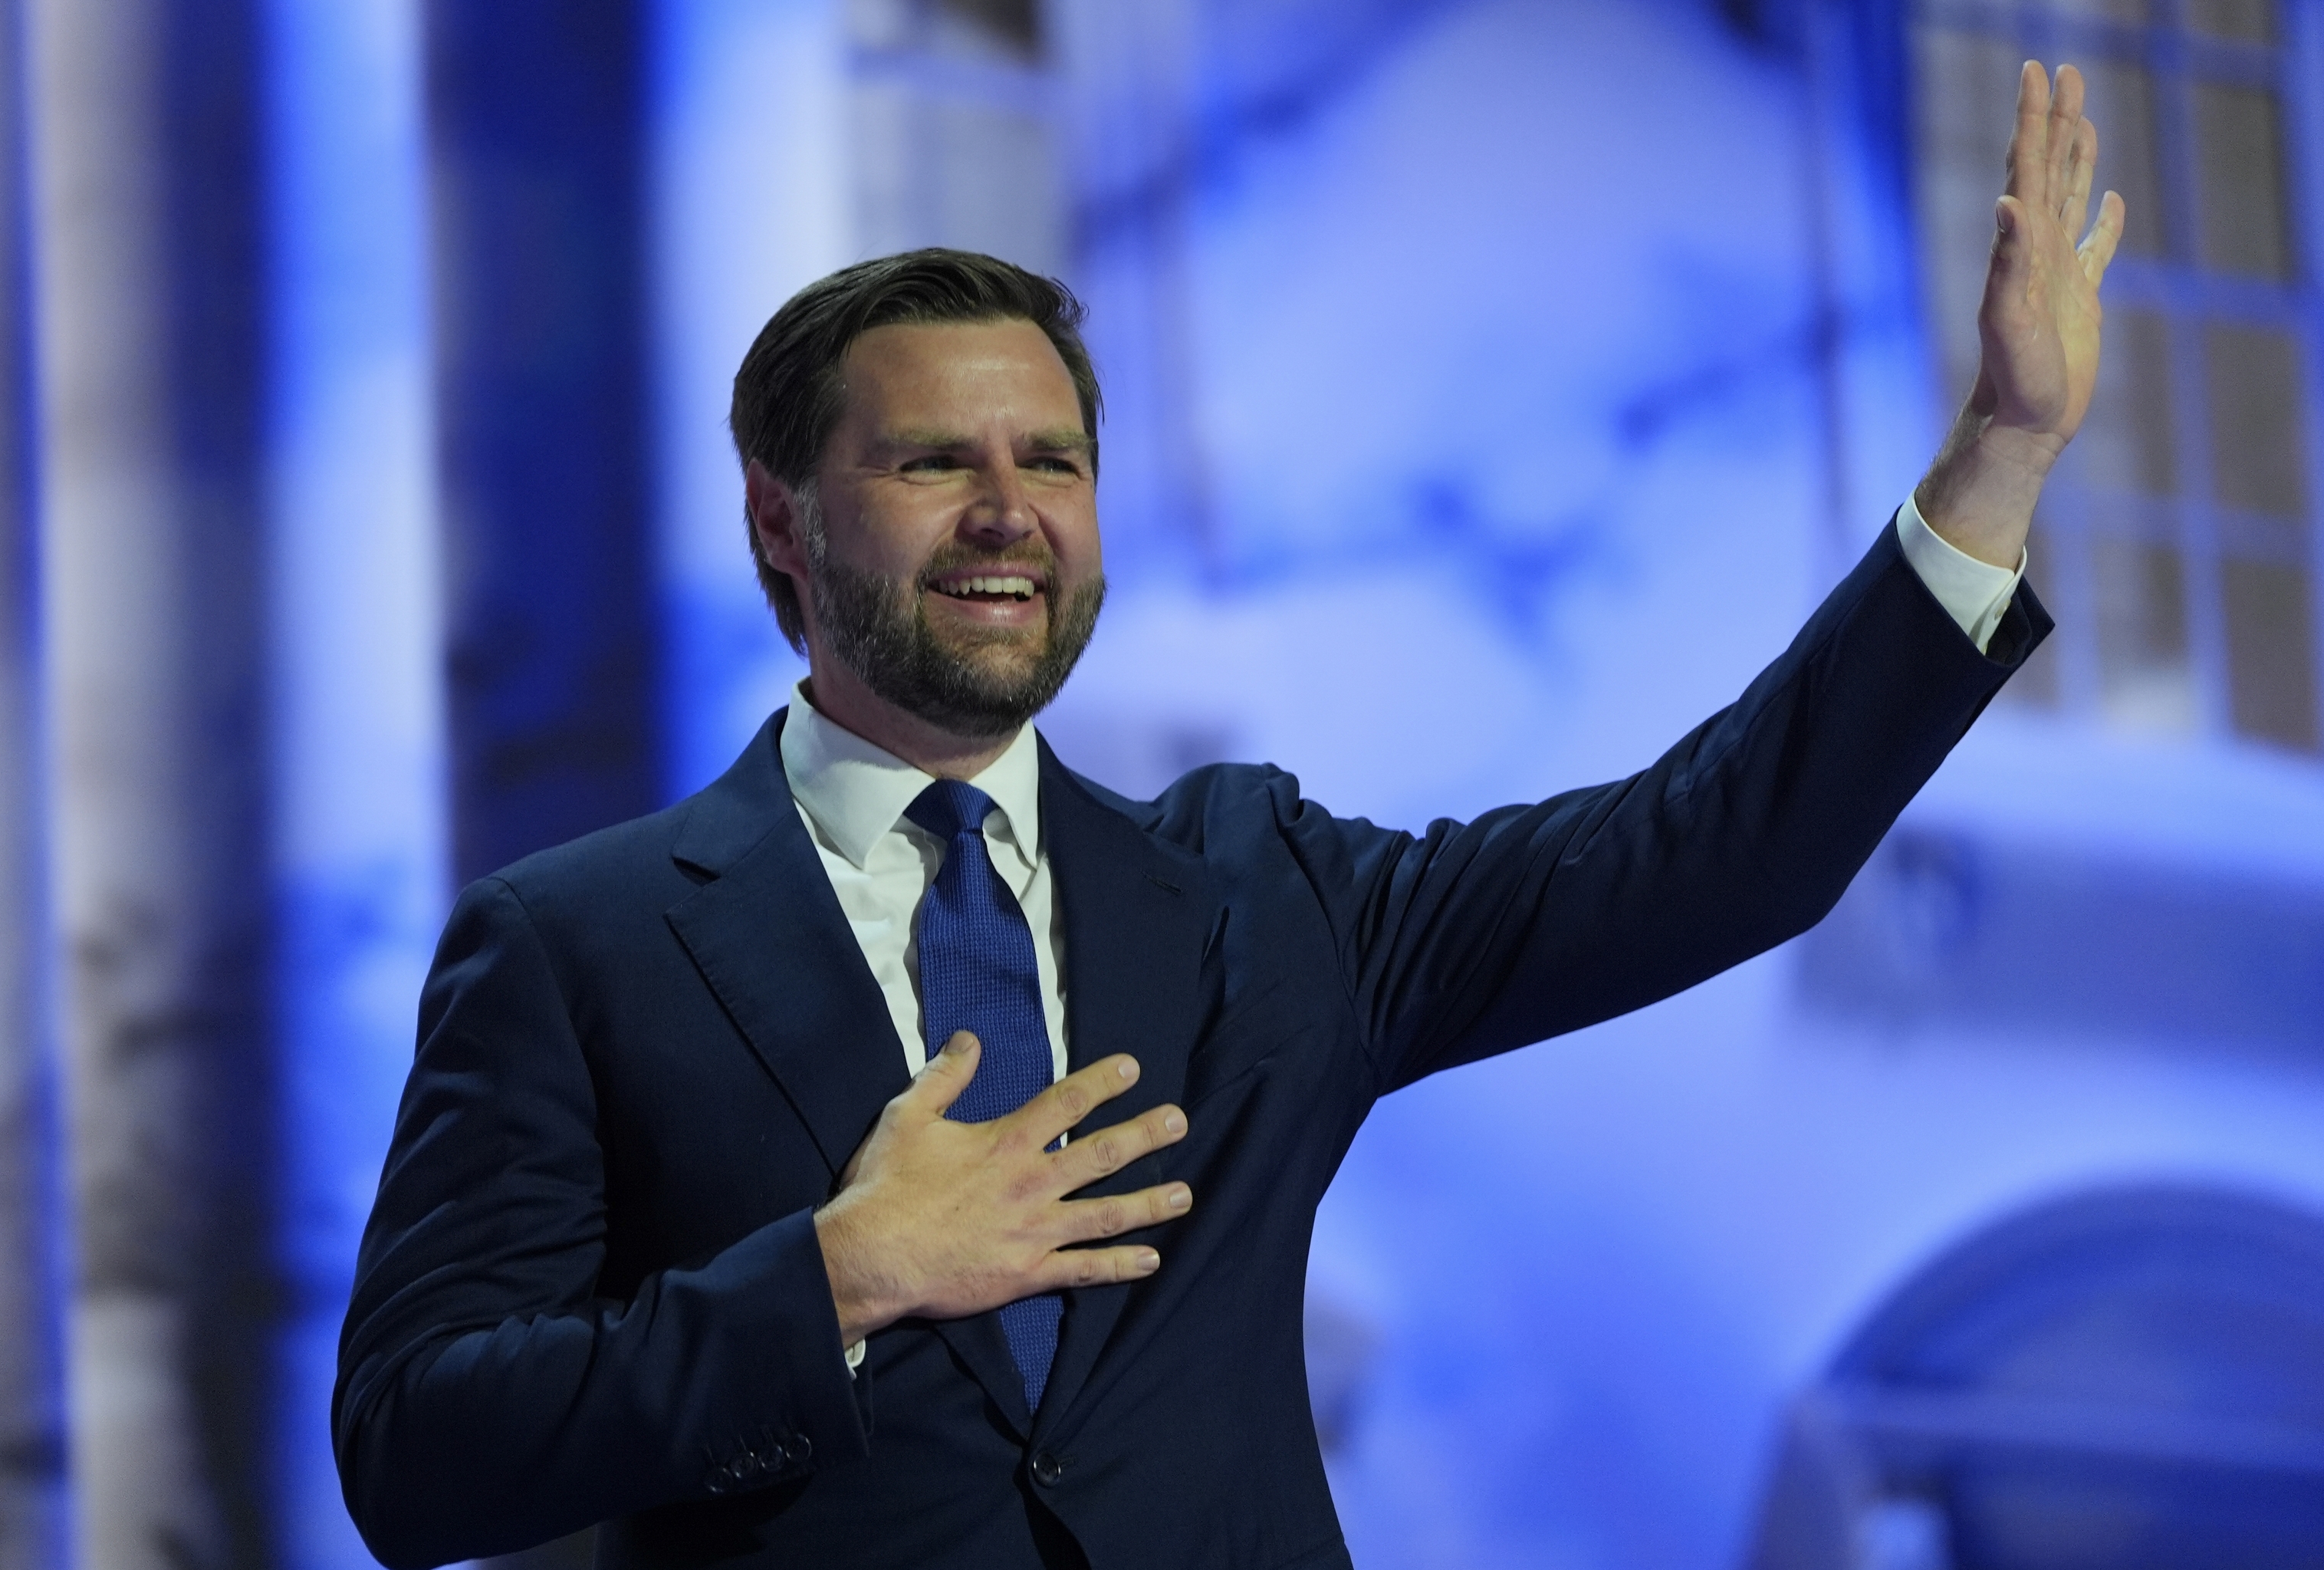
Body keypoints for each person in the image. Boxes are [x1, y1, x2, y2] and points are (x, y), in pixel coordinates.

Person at [335, 61, 2123, 1570]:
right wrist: (837, 1277)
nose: (1006, 513)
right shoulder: (575, 940)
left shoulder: (1261, 889)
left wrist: (2002, 461)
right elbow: (418, 1449)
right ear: (782, 529)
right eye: (933, 461)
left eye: (1052, 461)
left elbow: (1716, 852)